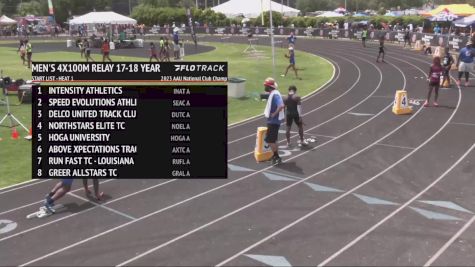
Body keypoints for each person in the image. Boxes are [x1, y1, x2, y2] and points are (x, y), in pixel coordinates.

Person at [263, 77, 285, 165]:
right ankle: (275, 155)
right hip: (273, 121)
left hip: (273, 121)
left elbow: (281, 105)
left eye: (265, 85)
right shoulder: (273, 93)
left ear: (269, 87)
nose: (264, 87)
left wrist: (274, 114)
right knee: (273, 140)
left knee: (270, 140)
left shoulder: (275, 95)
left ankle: (277, 156)